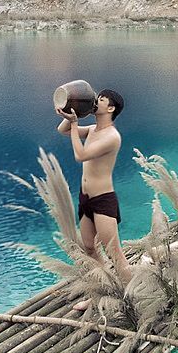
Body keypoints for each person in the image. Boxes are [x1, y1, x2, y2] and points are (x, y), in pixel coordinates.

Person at [60, 87, 131, 284]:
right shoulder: (91, 129)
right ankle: (106, 286)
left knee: (114, 252)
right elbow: (62, 130)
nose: (95, 101)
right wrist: (73, 111)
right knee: (89, 247)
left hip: (102, 199)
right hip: (85, 197)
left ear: (110, 109)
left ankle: (133, 297)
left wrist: (75, 125)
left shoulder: (112, 136)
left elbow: (80, 155)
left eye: (100, 99)